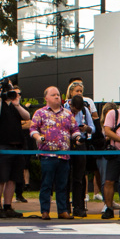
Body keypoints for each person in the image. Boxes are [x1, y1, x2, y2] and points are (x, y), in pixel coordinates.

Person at [31, 85, 75, 219]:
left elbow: (75, 129)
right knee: (46, 184)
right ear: (46, 98)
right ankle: (45, 210)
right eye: (53, 95)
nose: (57, 97)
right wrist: (38, 137)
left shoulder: (68, 114)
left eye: (58, 95)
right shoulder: (40, 113)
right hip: (47, 154)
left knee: (62, 185)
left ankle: (62, 210)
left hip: (64, 155)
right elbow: (33, 129)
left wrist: (78, 137)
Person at [0, 85, 29, 218]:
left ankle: (8, 206)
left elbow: (27, 116)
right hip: (2, 146)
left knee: (12, 179)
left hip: (17, 146)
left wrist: (17, 104)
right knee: (0, 178)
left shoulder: (15, 105)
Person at [65, 80, 96, 217]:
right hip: (66, 143)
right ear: (70, 93)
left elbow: (93, 128)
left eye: (81, 92)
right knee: (65, 176)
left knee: (79, 176)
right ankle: (65, 207)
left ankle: (79, 206)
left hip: (81, 144)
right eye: (77, 91)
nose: (79, 93)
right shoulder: (63, 108)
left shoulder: (84, 109)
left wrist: (86, 128)